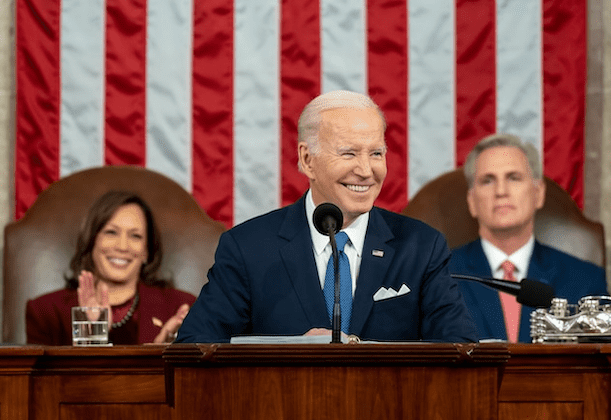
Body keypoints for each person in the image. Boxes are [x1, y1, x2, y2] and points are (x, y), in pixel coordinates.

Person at [177, 90, 477, 343]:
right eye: (349, 153)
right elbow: (195, 349)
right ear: (308, 160)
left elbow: (460, 350)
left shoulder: (421, 247)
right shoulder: (248, 248)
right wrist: (289, 355)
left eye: (376, 153)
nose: (365, 170)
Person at [450, 134, 608, 343]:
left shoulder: (585, 281)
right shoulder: (440, 276)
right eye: (488, 180)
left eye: (513, 178)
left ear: (538, 193)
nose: (501, 191)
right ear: (471, 200)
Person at [26, 191, 196, 345]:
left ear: (146, 251)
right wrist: (91, 337)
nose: (122, 246)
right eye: (111, 232)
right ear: (92, 241)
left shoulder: (183, 307)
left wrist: (164, 357)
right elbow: (42, 380)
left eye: (135, 236)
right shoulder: (45, 312)